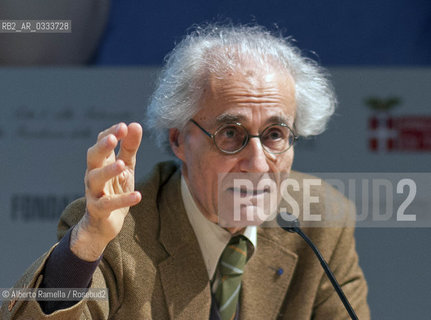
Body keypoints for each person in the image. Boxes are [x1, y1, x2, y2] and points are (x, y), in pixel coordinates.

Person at [1, 24, 370, 319]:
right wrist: (86, 244)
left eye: (275, 135)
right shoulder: (115, 230)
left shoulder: (322, 220)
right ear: (179, 140)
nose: (258, 165)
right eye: (231, 134)